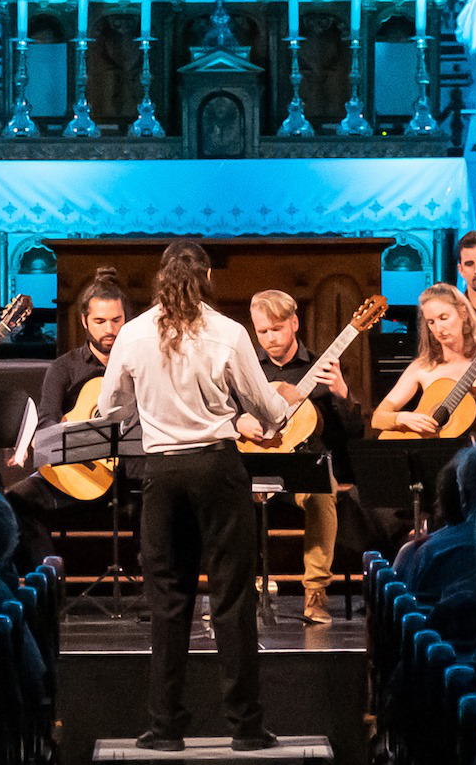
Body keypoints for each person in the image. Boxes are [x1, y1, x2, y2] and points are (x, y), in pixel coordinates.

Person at [98, 241, 325, 752]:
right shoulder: (228, 332)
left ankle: (165, 728)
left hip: (161, 472)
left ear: (160, 278)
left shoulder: (133, 334)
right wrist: (276, 410)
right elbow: (265, 408)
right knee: (232, 598)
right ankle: (245, 728)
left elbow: (111, 405)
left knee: (168, 603)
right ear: (206, 279)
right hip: (218, 470)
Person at [235, 289, 364, 625]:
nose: (269, 338)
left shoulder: (322, 368)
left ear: (294, 323)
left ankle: (316, 594)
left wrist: (342, 393)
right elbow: (225, 413)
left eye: (276, 328)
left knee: (324, 495)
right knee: (225, 494)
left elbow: (353, 432)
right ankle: (240, 592)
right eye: (262, 331)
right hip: (256, 466)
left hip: (305, 468)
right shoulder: (250, 370)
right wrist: (239, 421)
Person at [7, 268, 128, 571]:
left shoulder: (139, 367)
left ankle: (156, 594)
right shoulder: (64, 368)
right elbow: (47, 422)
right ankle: (49, 580)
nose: (109, 329)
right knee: (16, 501)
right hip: (80, 475)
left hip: (130, 474)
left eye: (117, 320)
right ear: (85, 322)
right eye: (100, 321)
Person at [371, 283, 476, 437]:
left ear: (463, 312)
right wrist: (402, 417)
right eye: (431, 322)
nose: (438, 328)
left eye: (444, 318)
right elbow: (378, 418)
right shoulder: (423, 367)